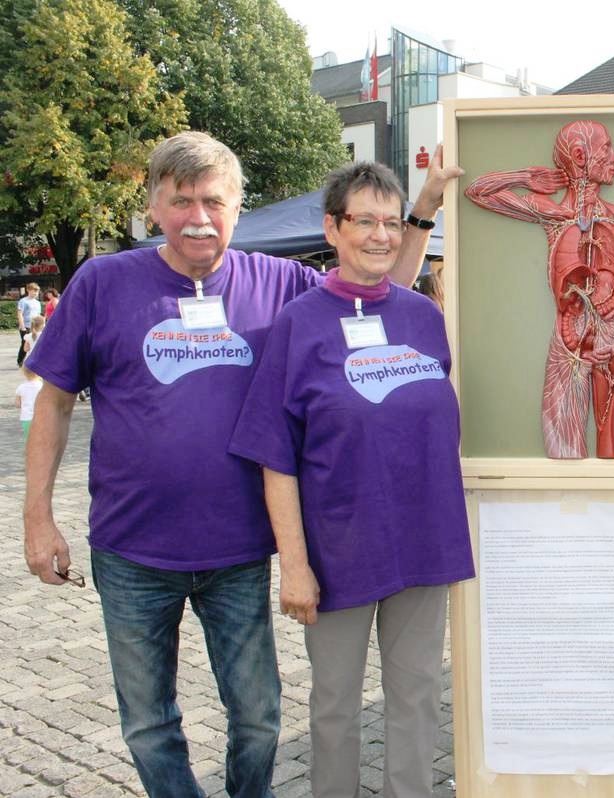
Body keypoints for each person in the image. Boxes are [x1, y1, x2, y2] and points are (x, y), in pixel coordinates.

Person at [23, 131, 459, 798]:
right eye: (182, 201)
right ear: (153, 207)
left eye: (214, 202)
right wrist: (37, 518)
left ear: (236, 208)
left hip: (238, 549)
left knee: (258, 718)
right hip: (132, 547)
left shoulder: (277, 282)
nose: (199, 217)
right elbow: (53, 400)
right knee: (148, 723)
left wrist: (422, 210)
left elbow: (376, 284)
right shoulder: (103, 282)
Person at [230, 161, 474, 798]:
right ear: (332, 228)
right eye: (364, 221)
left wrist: (427, 203)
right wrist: (294, 565)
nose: (380, 235)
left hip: (423, 542)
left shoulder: (422, 316)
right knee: (335, 706)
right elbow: (275, 455)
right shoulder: (299, 322)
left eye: (390, 223)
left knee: (418, 696)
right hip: (339, 549)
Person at [465, 119, 614, 459]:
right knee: (565, 466)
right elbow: (476, 191)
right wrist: (525, 177)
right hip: (567, 348)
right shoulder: (553, 214)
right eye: (606, 148)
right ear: (579, 156)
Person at [15, 281, 40, 366]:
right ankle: (20, 361)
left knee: (36, 343)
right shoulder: (23, 301)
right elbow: (19, 314)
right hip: (26, 326)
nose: (36, 293)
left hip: (36, 326)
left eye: (37, 291)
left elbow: (38, 315)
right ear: (28, 290)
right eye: (34, 291)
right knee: (25, 343)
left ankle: (33, 361)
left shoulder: (37, 303)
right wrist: (22, 326)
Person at [15, 365, 42, 440]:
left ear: (24, 373)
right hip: (41, 417)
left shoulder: (21, 387)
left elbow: (17, 404)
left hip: (26, 418)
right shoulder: (42, 386)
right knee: (41, 439)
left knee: (29, 439)